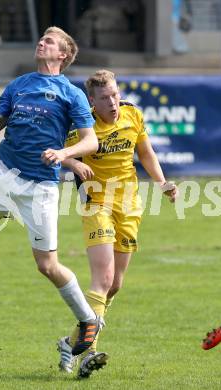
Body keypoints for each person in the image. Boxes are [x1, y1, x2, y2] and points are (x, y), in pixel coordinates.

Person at [0, 26, 101, 357]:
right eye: (42, 38)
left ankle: (88, 320)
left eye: (50, 41)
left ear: (63, 55)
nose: (42, 42)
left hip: (40, 185)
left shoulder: (72, 94)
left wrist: (64, 154)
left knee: (46, 265)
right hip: (4, 172)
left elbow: (91, 140)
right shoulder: (19, 85)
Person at [58, 69, 178, 378]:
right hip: (96, 203)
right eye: (104, 98)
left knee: (115, 286)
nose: (112, 102)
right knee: (103, 277)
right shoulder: (82, 127)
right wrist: (72, 163)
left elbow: (146, 153)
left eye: (114, 94)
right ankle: (90, 351)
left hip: (129, 206)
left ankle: (71, 341)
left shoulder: (132, 115)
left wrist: (163, 183)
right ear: (91, 102)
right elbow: (62, 155)